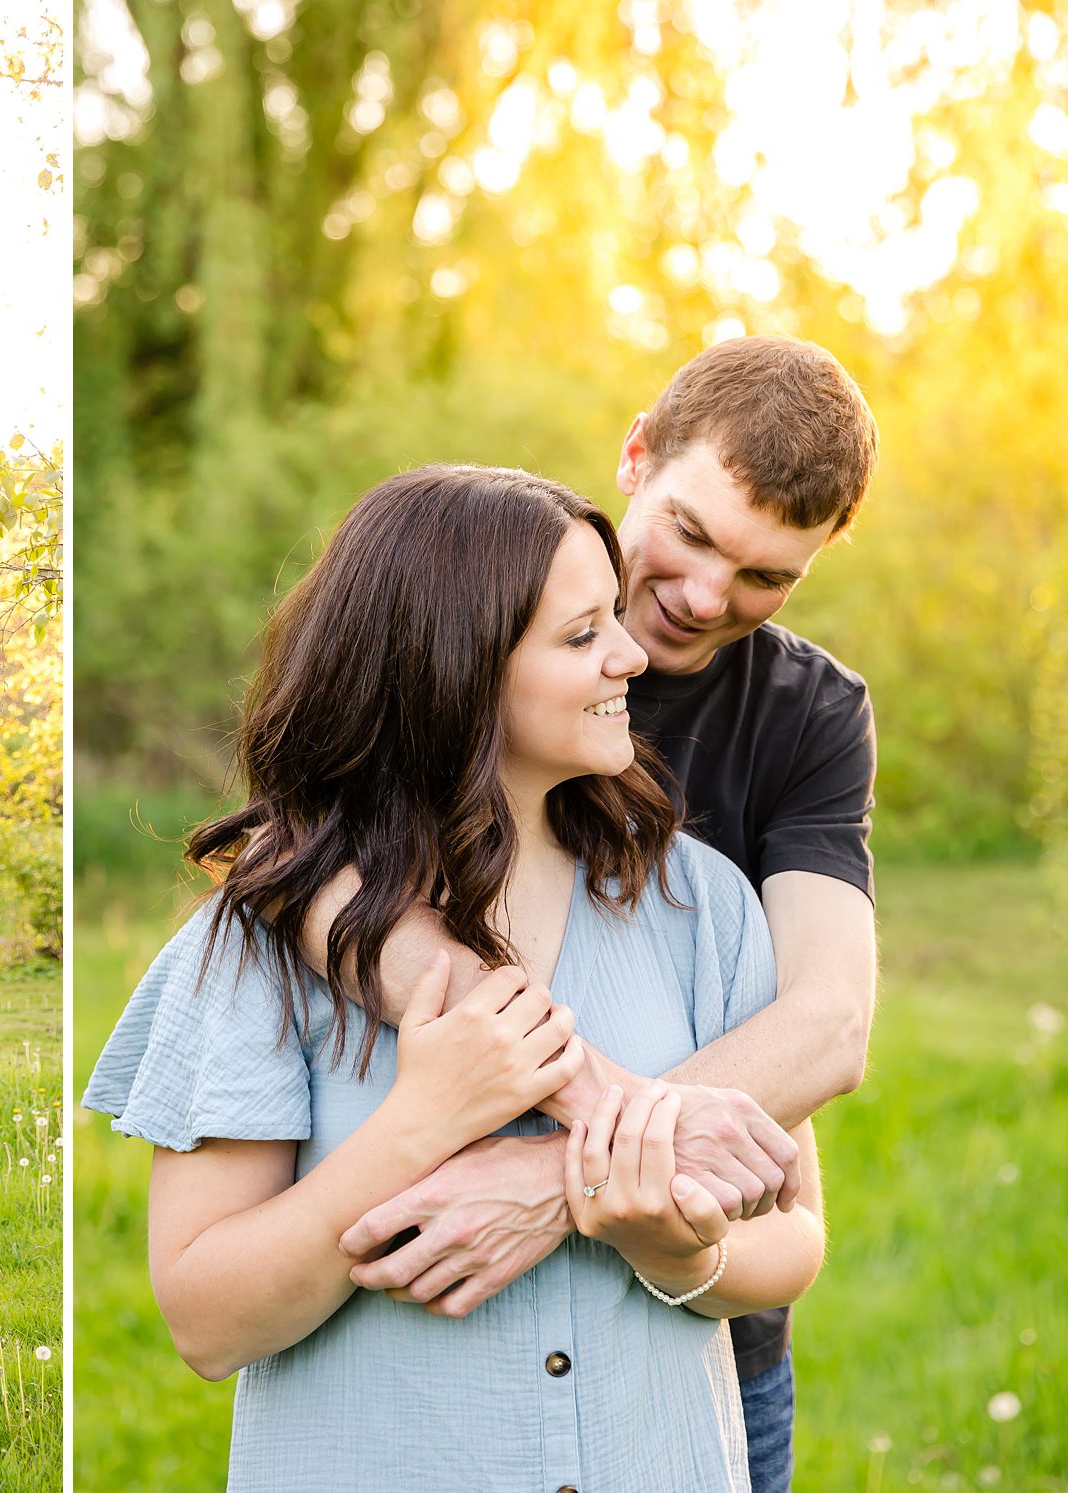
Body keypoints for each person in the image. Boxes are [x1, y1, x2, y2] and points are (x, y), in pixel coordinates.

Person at [84, 465, 826, 1490]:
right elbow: (205, 1322)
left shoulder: (698, 903)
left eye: (612, 613)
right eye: (580, 634)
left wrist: (672, 1248)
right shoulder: (257, 940)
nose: (627, 653)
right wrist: (418, 1124)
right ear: (455, 673)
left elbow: (792, 1234)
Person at [309, 336, 878, 1491]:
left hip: (693, 1324)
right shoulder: (470, 603)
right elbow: (301, 868)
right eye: (691, 532)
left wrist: (559, 1183)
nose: (704, 597)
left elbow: (827, 1026)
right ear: (634, 454)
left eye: (766, 576)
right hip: (433, 1319)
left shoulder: (809, 715)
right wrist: (598, 1107)